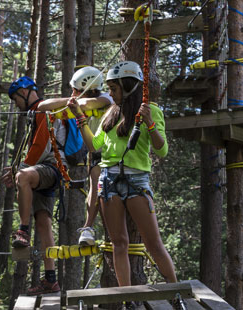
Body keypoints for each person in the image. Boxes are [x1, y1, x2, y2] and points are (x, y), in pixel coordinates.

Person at [67, 61, 178, 287]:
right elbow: (93, 145)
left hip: (136, 181)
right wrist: (79, 117)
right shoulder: (111, 114)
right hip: (109, 181)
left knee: (153, 243)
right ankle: (126, 297)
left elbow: (162, 149)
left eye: (114, 88)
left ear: (128, 87)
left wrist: (150, 124)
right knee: (118, 243)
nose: (110, 93)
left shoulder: (151, 111)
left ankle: (176, 291)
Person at [1, 76, 66, 295]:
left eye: (15, 98)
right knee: (44, 223)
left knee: (24, 177)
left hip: (50, 168)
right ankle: (51, 279)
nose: (15, 104)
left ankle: (22, 230)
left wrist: (20, 171)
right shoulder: (35, 113)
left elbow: (40, 144)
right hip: (43, 170)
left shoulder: (43, 109)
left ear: (25, 92)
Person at [37, 65, 114, 246]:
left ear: (84, 89)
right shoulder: (78, 101)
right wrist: (71, 100)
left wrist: (74, 102)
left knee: (98, 185)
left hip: (112, 154)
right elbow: (42, 106)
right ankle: (88, 227)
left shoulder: (107, 98)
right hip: (96, 153)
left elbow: (88, 104)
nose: (72, 92)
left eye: (75, 89)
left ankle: (92, 227)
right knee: (95, 184)